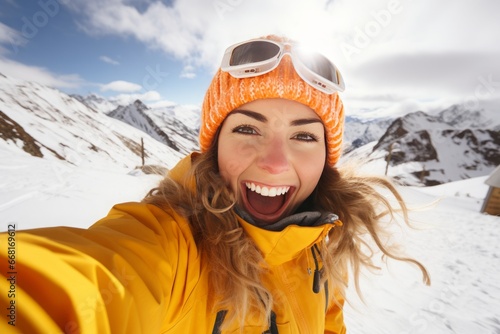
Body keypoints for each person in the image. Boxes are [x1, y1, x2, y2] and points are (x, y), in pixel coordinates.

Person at [0, 35, 430, 333]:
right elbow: (42, 287)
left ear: (326, 159)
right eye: (247, 130)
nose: (276, 163)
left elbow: (328, 322)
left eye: (303, 136)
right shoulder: (169, 246)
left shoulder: (318, 242)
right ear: (213, 146)